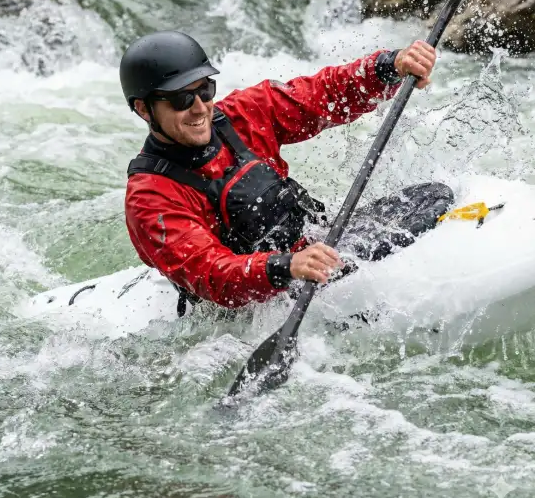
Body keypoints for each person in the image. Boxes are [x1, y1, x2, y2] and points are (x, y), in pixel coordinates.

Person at [122, 30, 441, 315]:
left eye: (205, 90)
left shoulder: (240, 115)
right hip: (246, 311)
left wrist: (389, 67)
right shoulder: (150, 198)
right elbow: (213, 275)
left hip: (307, 253)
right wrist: (286, 268)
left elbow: (321, 95)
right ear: (143, 109)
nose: (200, 107)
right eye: (181, 99)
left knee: (435, 197)